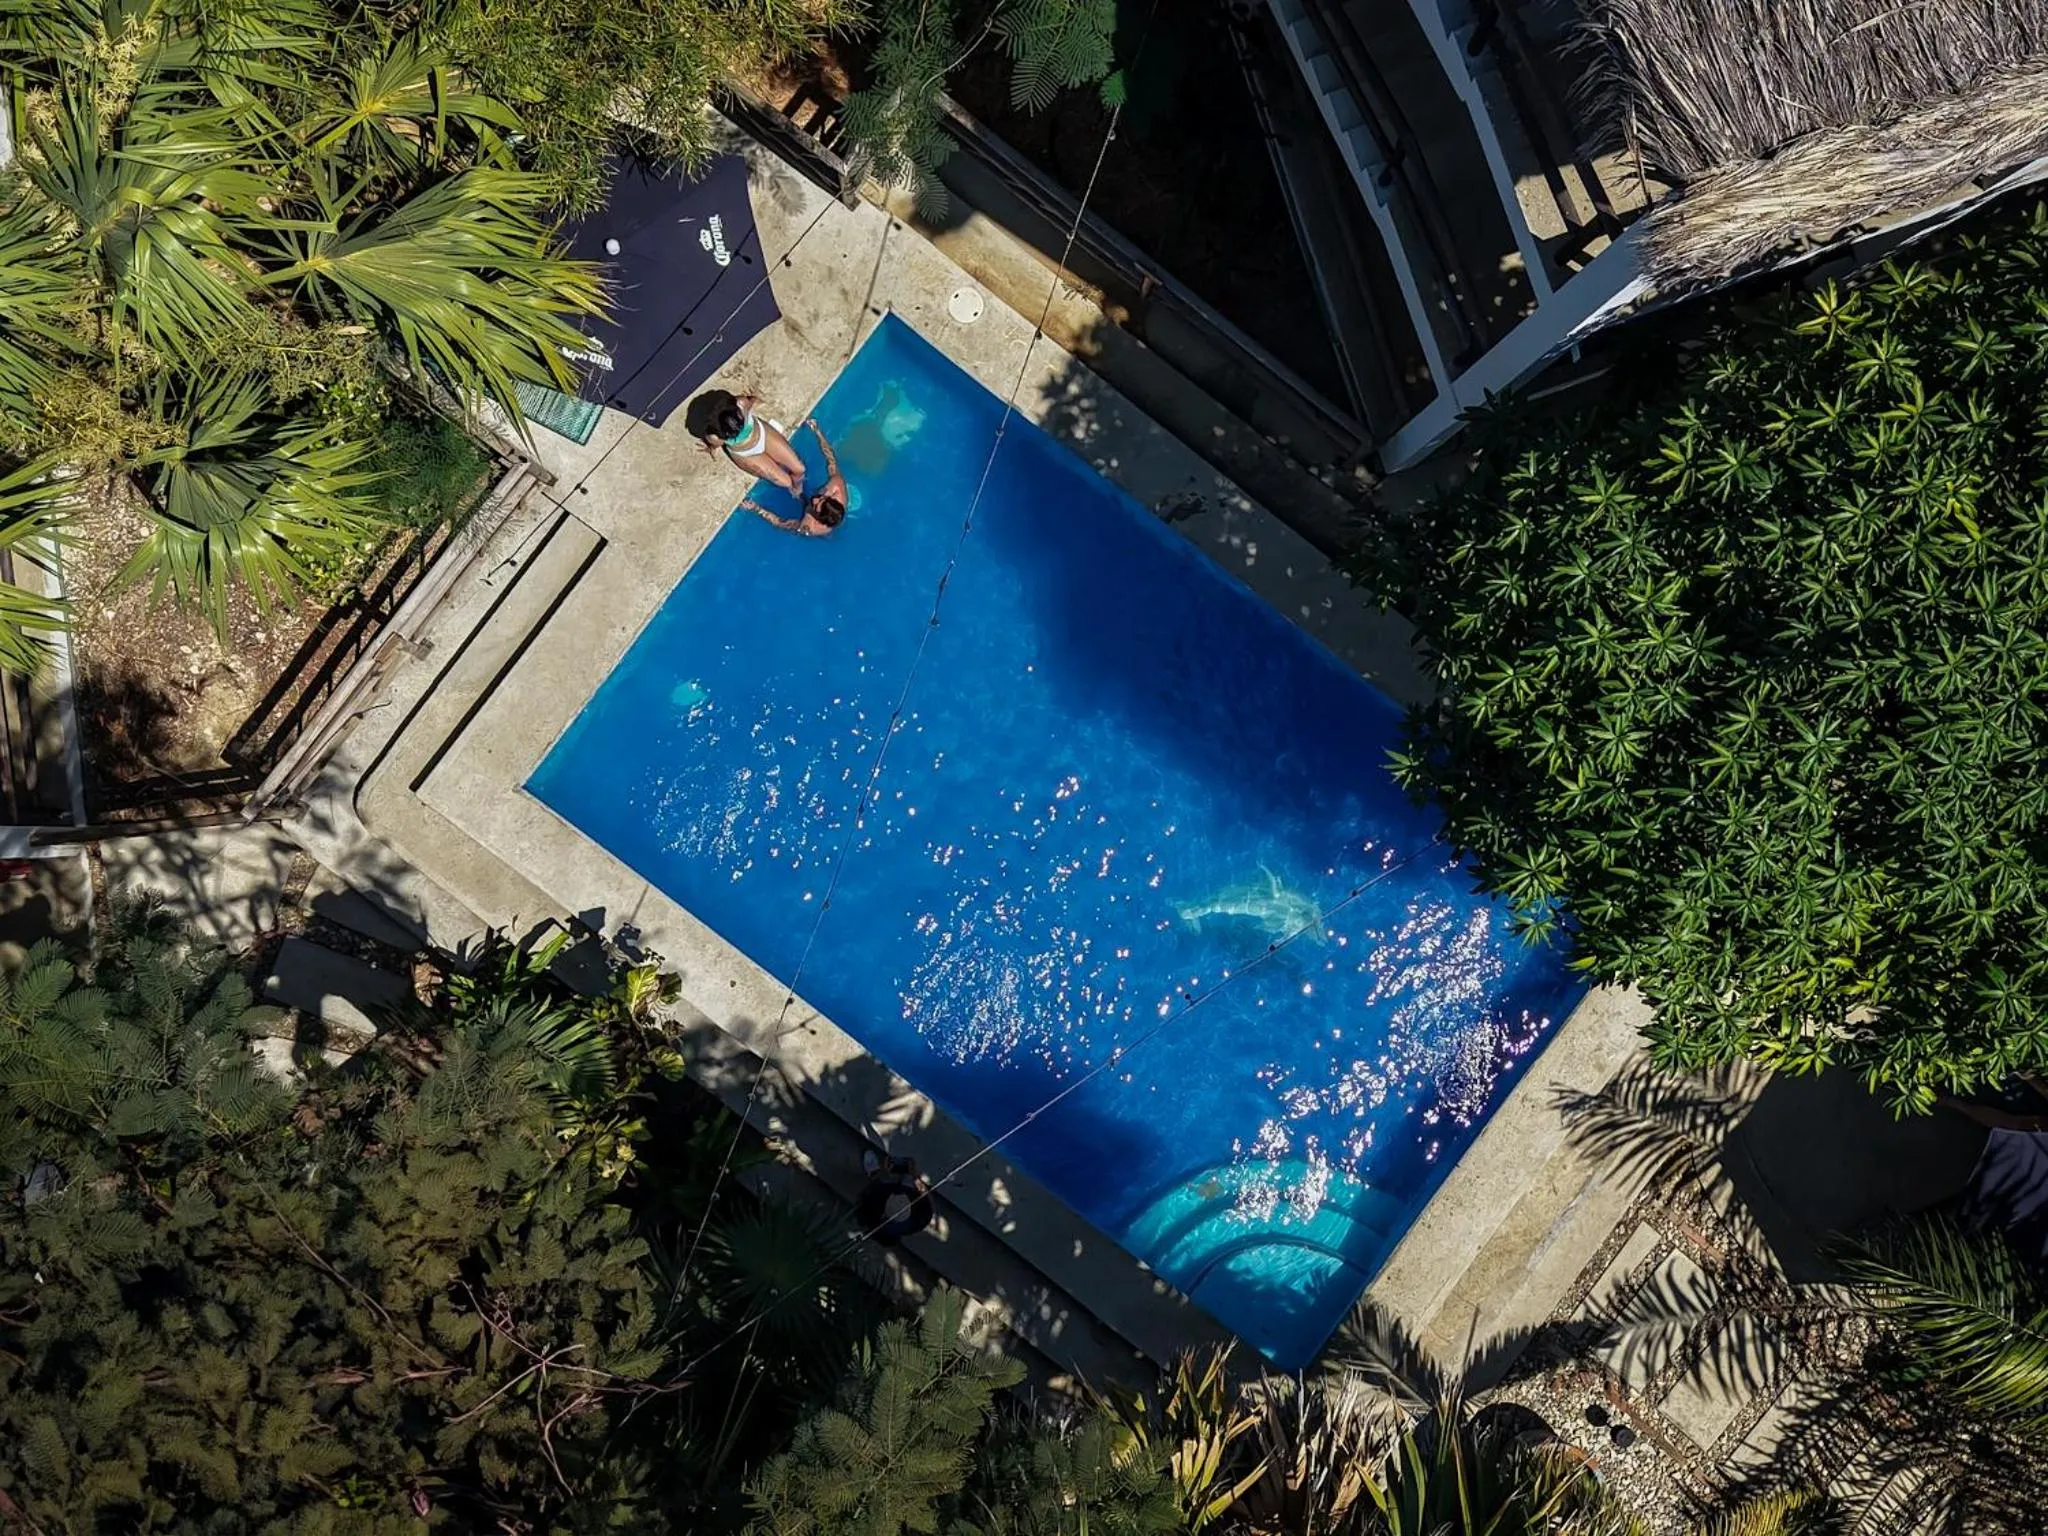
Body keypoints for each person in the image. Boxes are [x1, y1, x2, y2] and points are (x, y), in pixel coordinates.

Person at [740, 416, 852, 537]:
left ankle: (799, 494)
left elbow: (781, 523)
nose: (815, 499)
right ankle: (799, 491)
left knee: (795, 490)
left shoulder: (810, 527)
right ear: (832, 498)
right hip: (818, 501)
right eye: (822, 498)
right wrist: (818, 432)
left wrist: (756, 508)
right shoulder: (837, 487)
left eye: (816, 505)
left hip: (812, 515)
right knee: (798, 474)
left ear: (817, 518)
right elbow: (831, 459)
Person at [691, 388, 806, 495]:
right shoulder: (714, 437)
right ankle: (794, 489)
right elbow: (715, 445)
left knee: (800, 469)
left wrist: (755, 398)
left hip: (763, 435)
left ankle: (797, 488)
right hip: (746, 454)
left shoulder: (742, 403)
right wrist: (710, 448)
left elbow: (751, 400)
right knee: (786, 482)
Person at [855, 1149, 935, 1247]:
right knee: (902, 1179)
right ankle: (885, 1174)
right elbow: (925, 1196)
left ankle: (874, 1172)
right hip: (903, 1192)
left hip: (890, 1193)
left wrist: (883, 1173)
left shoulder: (872, 1213)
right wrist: (915, 1176)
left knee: (878, 1182)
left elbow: (867, 1193)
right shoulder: (920, 1221)